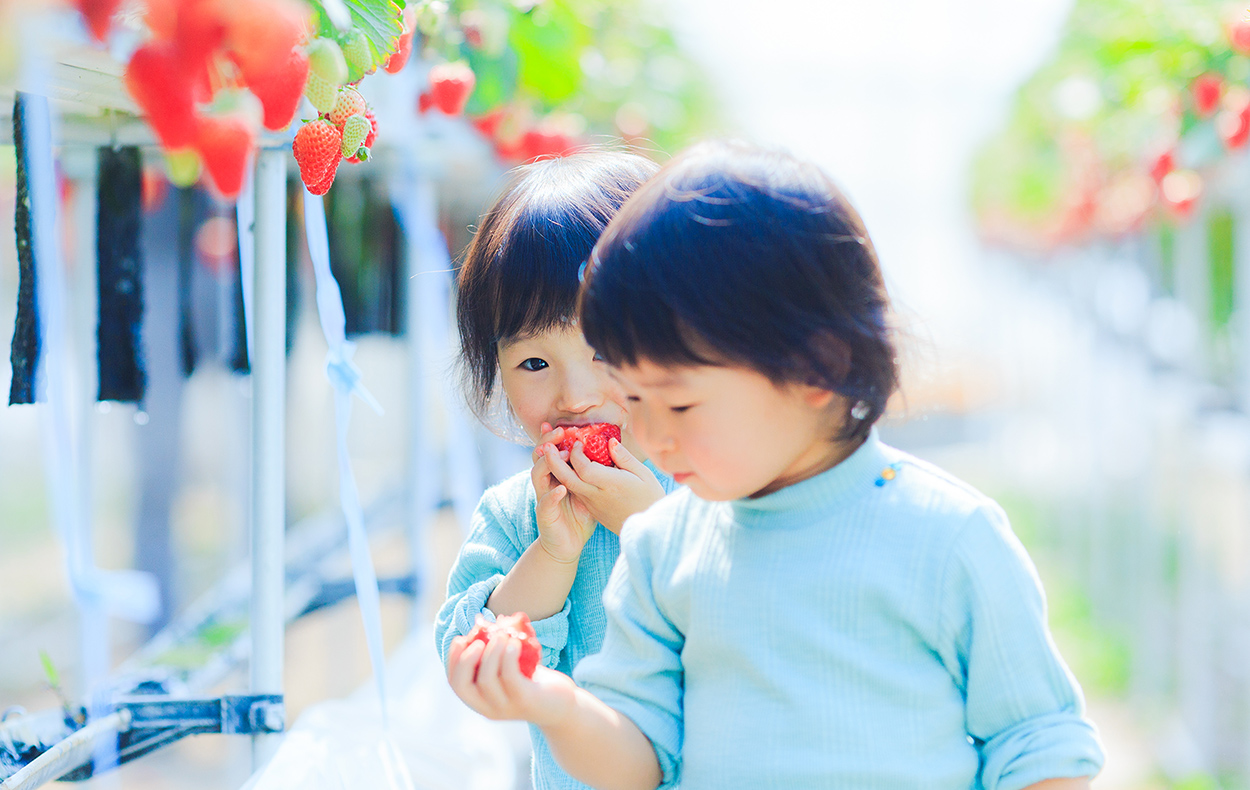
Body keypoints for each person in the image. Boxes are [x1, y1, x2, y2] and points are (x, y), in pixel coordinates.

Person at [444, 140, 1106, 790]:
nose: (639, 428)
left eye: (676, 403)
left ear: (818, 368)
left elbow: (1035, 739)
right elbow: (642, 756)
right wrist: (557, 703)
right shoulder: (665, 546)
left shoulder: (947, 536)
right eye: (636, 396)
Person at [434, 151, 680, 790]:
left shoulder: (710, 481)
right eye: (533, 364)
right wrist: (552, 553)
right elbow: (472, 653)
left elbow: (751, 617)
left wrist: (648, 528)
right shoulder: (518, 512)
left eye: (602, 350)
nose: (575, 395)